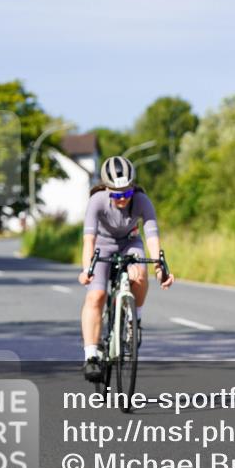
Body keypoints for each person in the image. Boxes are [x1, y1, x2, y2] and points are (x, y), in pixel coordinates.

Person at [77, 155, 174, 382]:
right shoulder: (97, 200)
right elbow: (89, 241)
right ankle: (91, 355)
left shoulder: (142, 201)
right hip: (102, 246)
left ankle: (134, 318)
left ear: (133, 189)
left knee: (139, 274)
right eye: (117, 195)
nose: (122, 199)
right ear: (107, 189)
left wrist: (160, 268)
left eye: (127, 194)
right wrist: (86, 270)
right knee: (96, 295)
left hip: (130, 244)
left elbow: (151, 238)